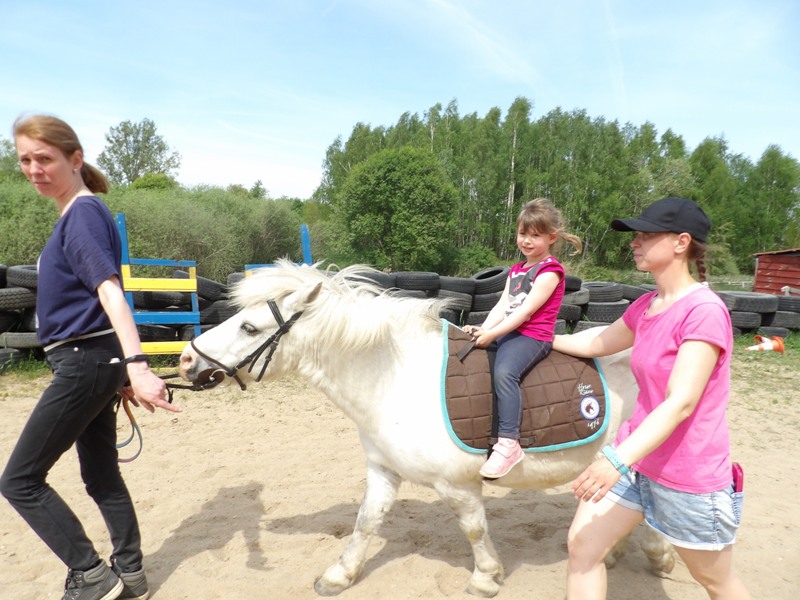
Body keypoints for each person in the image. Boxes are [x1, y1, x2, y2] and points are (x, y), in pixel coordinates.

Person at [0, 114, 181, 600]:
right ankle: (131, 572)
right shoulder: (81, 213)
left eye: (44, 158)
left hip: (83, 361)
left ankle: (92, 574)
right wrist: (118, 367)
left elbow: (110, 291)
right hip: (95, 361)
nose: (33, 169)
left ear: (75, 158)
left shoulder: (80, 214)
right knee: (101, 474)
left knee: (19, 481)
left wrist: (137, 366)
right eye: (25, 160)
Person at [553, 196, 750, 599]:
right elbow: (598, 342)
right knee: (583, 548)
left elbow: (681, 403)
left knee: (715, 581)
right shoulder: (648, 305)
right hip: (636, 461)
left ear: (681, 242)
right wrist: (540, 339)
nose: (634, 242)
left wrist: (615, 460)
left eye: (645, 235)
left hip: (686, 476)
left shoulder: (703, 311)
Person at [464, 198, 582, 479]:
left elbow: (526, 312)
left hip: (532, 336)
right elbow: (503, 305)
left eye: (535, 235)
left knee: (505, 372)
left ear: (551, 238)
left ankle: (509, 442)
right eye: (522, 234)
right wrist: (482, 328)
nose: (527, 241)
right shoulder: (516, 270)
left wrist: (494, 334)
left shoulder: (550, 271)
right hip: (510, 329)